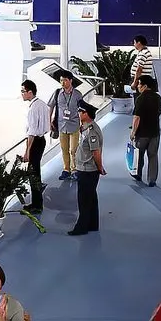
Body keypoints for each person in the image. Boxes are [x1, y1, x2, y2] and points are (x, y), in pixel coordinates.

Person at [68, 100, 105, 236]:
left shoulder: (91, 131)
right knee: (91, 198)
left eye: (80, 111)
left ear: (86, 114)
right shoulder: (85, 127)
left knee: (84, 200)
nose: (78, 113)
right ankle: (92, 224)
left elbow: (96, 152)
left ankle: (82, 227)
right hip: (85, 169)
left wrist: (100, 168)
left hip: (88, 170)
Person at [48, 70, 83, 181]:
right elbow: (51, 106)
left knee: (73, 150)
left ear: (71, 81)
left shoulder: (77, 94)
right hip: (61, 125)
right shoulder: (57, 93)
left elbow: (82, 110)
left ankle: (75, 169)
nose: (62, 83)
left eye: (65, 80)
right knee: (64, 149)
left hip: (74, 125)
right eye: (61, 80)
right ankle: (66, 170)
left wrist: (83, 123)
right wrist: (49, 120)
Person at [21, 79, 49, 214]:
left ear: (30, 92)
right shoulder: (42, 104)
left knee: (33, 174)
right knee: (35, 172)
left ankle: (37, 205)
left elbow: (31, 132)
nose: (22, 94)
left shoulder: (33, 109)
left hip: (35, 142)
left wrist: (27, 151)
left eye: (23, 91)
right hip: (42, 140)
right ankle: (37, 202)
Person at [130, 75, 161, 187]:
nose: (138, 86)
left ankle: (138, 174)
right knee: (153, 155)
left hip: (142, 133)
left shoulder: (140, 99)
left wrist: (133, 132)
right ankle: (152, 179)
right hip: (155, 132)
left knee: (139, 155)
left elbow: (137, 118)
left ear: (145, 86)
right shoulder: (157, 97)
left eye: (139, 84)